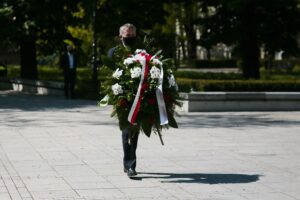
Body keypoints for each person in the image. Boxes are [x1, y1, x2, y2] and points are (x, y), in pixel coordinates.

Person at [108, 23, 140, 177]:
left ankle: (130, 163)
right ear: (120, 36)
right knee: (127, 132)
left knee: (134, 133)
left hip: (140, 98)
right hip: (122, 99)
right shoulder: (113, 53)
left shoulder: (142, 52)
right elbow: (109, 76)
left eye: (133, 36)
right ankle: (129, 165)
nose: (130, 39)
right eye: (128, 37)